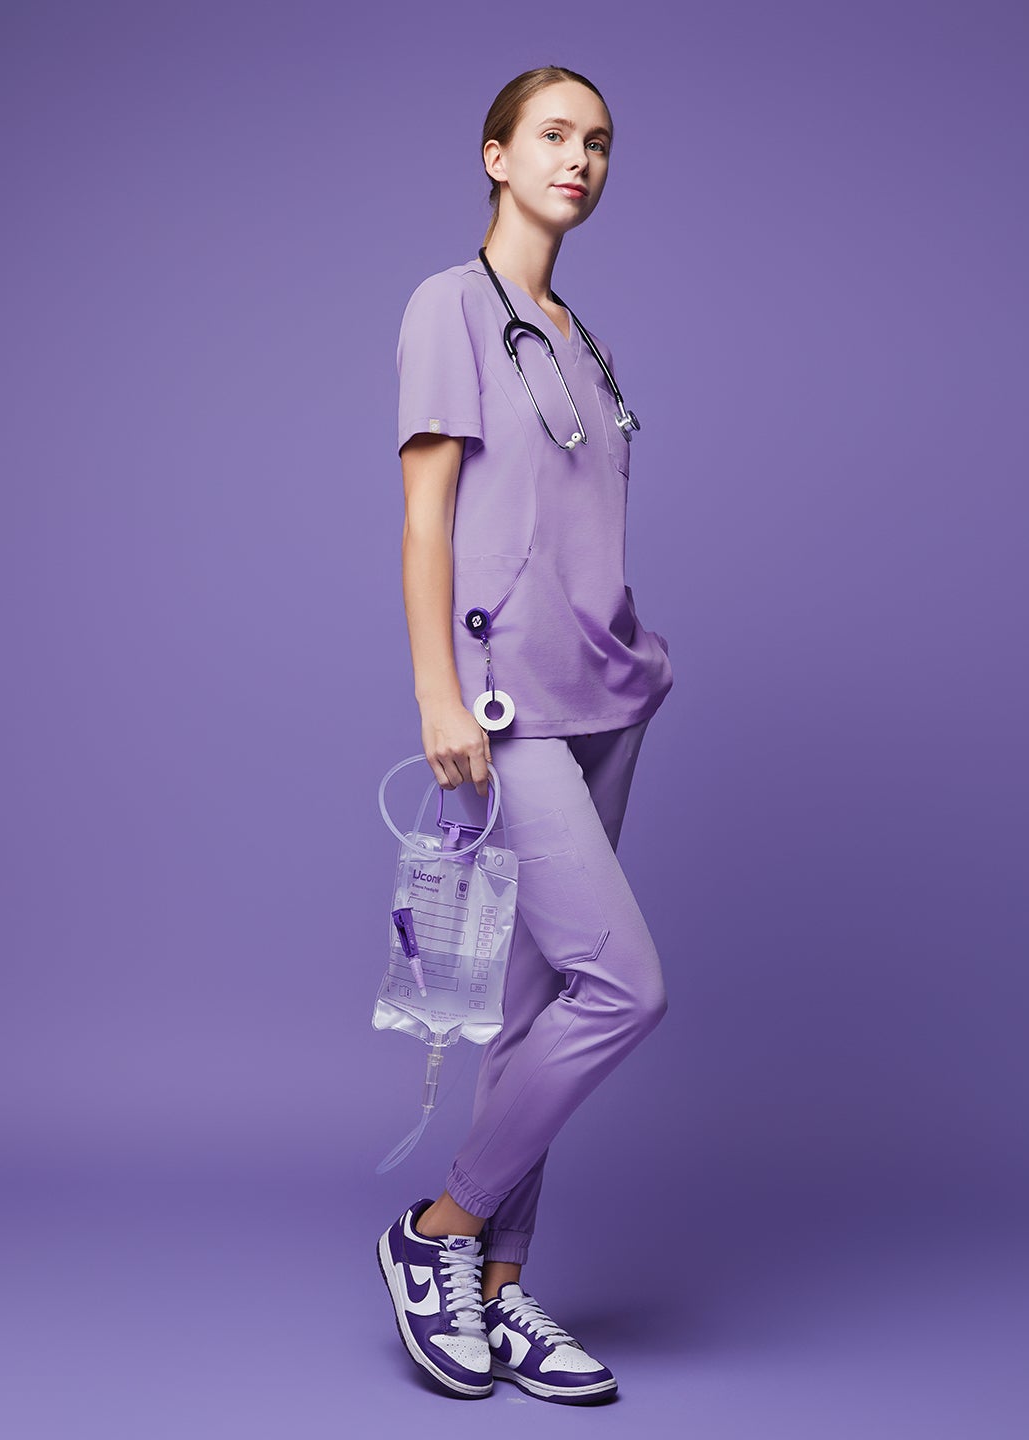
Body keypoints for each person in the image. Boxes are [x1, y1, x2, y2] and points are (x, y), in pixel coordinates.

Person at [376, 65, 674, 1406]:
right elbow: (428, 515)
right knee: (625, 989)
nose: (580, 159)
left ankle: (498, 1293)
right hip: (509, 711)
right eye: (555, 136)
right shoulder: (454, 307)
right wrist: (437, 690)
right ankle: (436, 1233)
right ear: (496, 155)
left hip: (608, 700)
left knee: (542, 1008)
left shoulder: (578, 331)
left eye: (598, 142)